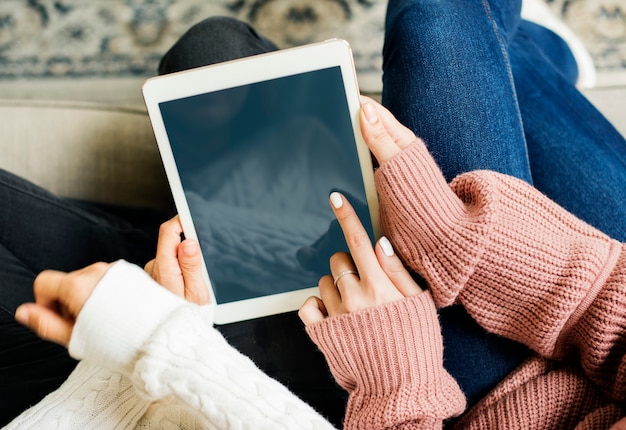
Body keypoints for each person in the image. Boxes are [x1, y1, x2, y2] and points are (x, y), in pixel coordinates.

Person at [1, 0, 624, 426]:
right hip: (564, 307)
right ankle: (539, 57)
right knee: (435, 24)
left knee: (211, 55)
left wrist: (392, 379)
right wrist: (463, 240)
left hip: (428, 391)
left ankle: (539, 58)